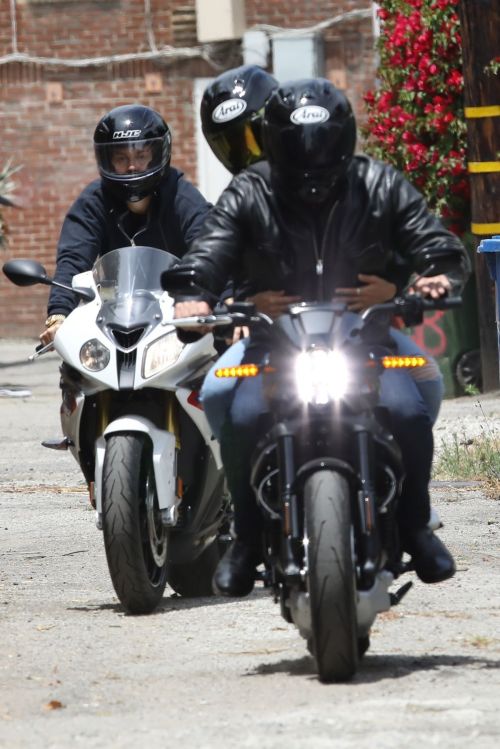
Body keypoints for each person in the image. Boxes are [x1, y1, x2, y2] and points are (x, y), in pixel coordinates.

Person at [172, 78, 470, 597]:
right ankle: (244, 537)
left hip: (367, 340)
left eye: (323, 144)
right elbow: (210, 250)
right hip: (274, 341)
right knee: (234, 408)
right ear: (275, 141)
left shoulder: (378, 183)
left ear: (344, 138)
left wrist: (428, 278)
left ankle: (417, 524)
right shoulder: (251, 190)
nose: (312, 159)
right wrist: (195, 294)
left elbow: (434, 243)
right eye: (298, 145)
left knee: (409, 406)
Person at [200, 65, 445, 430]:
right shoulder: (242, 198)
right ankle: (241, 486)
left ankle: (406, 483)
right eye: (235, 144)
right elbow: (213, 260)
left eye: (256, 139)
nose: (251, 155)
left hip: (358, 335)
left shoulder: (358, 185)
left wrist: (399, 286)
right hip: (274, 339)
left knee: (422, 387)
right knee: (218, 392)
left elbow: (397, 246)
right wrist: (232, 307)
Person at [40, 103, 211, 345]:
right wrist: (58, 315)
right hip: (113, 320)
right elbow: (73, 258)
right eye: (121, 158)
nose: (132, 166)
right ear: (107, 160)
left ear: (157, 154)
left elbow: (209, 249)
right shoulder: (93, 200)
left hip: (179, 317)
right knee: (74, 374)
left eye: (141, 156)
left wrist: (218, 299)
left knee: (219, 365)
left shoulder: (181, 197)